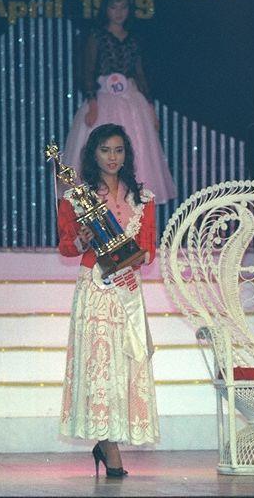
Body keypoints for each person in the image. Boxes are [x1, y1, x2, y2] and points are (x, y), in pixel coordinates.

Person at [57, 124, 159, 477]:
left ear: (126, 154)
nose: (113, 157)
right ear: (93, 154)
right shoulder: (77, 198)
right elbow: (67, 247)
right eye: (105, 150)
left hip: (127, 288)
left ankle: (106, 442)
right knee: (99, 365)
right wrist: (84, 240)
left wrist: (136, 259)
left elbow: (150, 248)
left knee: (124, 365)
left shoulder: (143, 198)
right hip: (95, 289)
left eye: (119, 150)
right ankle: (108, 448)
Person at [63, 0, 176, 204]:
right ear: (106, 9)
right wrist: (92, 103)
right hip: (104, 98)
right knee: (100, 146)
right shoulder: (97, 36)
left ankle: (132, 204)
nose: (119, 13)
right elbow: (87, 71)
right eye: (114, 8)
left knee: (137, 149)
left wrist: (150, 106)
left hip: (132, 101)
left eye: (123, 8)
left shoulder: (134, 38)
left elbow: (140, 74)